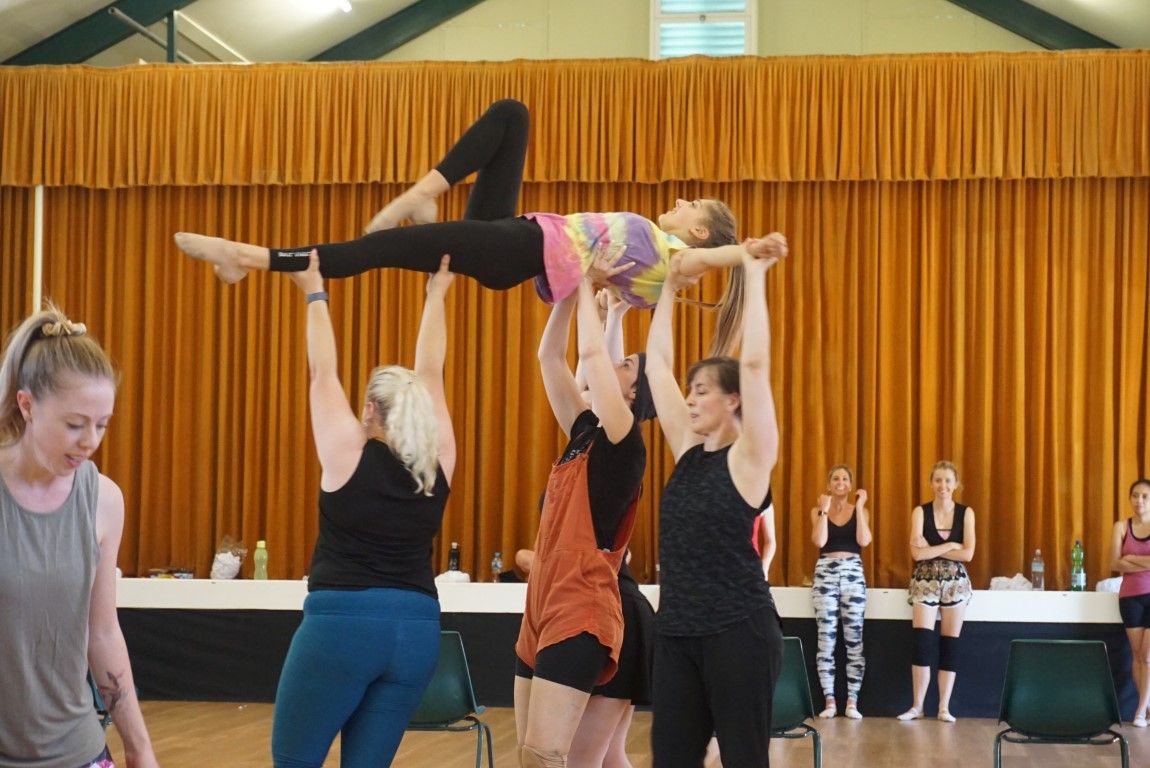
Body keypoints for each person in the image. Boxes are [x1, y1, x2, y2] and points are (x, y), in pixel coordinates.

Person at [173, 98, 779, 355]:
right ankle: (423, 192)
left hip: (517, 251)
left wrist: (748, 253)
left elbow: (707, 268)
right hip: (513, 235)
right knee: (512, 117)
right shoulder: (656, 265)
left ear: (701, 233)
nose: (679, 200)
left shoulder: (677, 259)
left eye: (691, 203)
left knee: (381, 248)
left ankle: (249, 257)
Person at [269, 252, 457, 767]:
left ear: (369, 409)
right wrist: (436, 296)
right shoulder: (439, 461)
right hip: (416, 633)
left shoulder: (347, 453)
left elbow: (322, 372)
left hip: (342, 627)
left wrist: (314, 290)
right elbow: (432, 372)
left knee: (294, 762)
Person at [646, 234, 788, 767]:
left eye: (702, 390)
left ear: (733, 402)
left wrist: (752, 274)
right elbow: (657, 365)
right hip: (677, 633)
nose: (690, 397)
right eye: (692, 389)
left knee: (743, 760)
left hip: (740, 632)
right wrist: (666, 289)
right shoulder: (687, 450)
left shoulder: (750, 458)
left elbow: (753, 367)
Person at [0, 304, 158, 768]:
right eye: (74, 424)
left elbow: (103, 632)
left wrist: (140, 746)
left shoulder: (104, 500)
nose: (90, 440)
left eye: (102, 424)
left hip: (78, 751)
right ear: (27, 406)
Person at [513, 253, 653, 768]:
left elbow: (594, 358)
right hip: (540, 603)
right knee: (529, 755)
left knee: (548, 759)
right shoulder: (585, 432)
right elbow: (551, 359)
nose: (611, 363)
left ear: (633, 393)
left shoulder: (625, 444)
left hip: (581, 608)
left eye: (626, 366)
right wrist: (570, 295)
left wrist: (588, 279)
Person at [897, 460, 976, 723]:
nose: (943, 486)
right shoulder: (920, 511)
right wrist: (951, 544)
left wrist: (934, 548)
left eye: (948, 481)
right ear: (932, 483)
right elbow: (916, 553)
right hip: (925, 580)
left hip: (956, 582)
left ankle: (944, 707)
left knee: (949, 644)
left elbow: (968, 553)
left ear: (956, 485)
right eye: (938, 480)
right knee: (922, 642)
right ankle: (917, 705)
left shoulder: (966, 513)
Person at [810, 464, 872, 719]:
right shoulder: (817, 510)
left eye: (845, 478)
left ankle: (852, 701)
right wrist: (824, 510)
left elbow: (864, 540)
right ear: (829, 484)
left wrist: (858, 507)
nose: (840, 482)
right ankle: (830, 700)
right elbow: (819, 541)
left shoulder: (860, 510)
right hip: (825, 571)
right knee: (826, 638)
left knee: (854, 637)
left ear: (850, 484)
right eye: (835, 478)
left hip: (853, 572)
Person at [1109, 477, 1150, 727]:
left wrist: (1131, 558)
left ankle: (1140, 708)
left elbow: (1123, 560)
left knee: (1147, 654)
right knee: (1137, 655)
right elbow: (1114, 563)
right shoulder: (1121, 526)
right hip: (1130, 596)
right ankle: (1146, 707)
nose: (1140, 501)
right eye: (1135, 495)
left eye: (1145, 496)